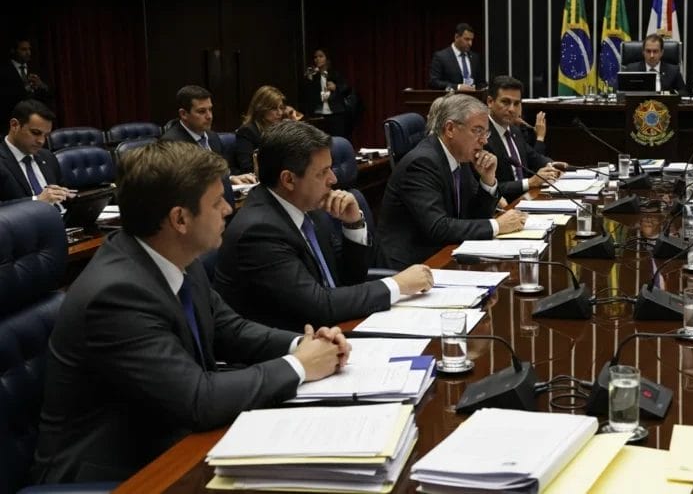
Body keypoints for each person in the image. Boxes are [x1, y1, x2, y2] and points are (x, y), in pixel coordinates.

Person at [31, 141, 351, 484]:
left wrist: (303, 344)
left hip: (172, 437)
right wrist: (300, 365)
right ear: (180, 219)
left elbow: (229, 328)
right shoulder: (115, 295)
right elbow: (197, 399)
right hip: (114, 472)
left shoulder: (176, 255)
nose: (228, 208)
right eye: (216, 202)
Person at [214, 122, 434, 331]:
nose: (334, 179)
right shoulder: (259, 231)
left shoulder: (309, 208)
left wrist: (353, 224)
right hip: (293, 343)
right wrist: (396, 285)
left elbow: (348, 280)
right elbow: (318, 306)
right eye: (323, 172)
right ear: (288, 180)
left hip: (333, 328)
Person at [375, 93, 527, 269]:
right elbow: (438, 227)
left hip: (446, 251)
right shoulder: (422, 163)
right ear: (450, 129)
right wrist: (497, 225)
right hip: (413, 264)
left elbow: (474, 215)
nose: (484, 140)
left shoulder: (459, 156)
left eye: (486, 132)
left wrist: (487, 180)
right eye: (477, 131)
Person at [484, 75, 566, 201]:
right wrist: (530, 182)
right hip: (504, 206)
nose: (512, 109)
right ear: (490, 102)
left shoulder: (514, 131)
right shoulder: (482, 136)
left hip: (526, 200)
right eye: (505, 102)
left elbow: (533, 156)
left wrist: (552, 165)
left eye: (516, 103)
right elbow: (487, 188)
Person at [161, 85, 256, 184]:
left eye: (210, 109)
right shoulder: (171, 144)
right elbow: (182, 183)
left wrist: (231, 178)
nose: (209, 116)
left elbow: (220, 172)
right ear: (183, 114)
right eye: (201, 111)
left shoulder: (212, 137)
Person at [0, 99, 70, 204]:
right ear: (14, 125)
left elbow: (63, 197)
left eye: (46, 135)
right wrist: (36, 201)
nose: (41, 141)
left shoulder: (48, 156)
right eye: (35, 133)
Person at [300, 48, 356, 138]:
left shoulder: (335, 74)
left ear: (327, 59)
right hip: (319, 114)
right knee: (321, 140)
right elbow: (307, 96)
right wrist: (309, 80)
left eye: (321, 56)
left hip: (336, 113)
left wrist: (336, 87)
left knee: (338, 139)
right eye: (315, 57)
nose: (317, 59)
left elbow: (347, 89)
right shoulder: (313, 76)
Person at [234, 85, 288, 174]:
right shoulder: (247, 132)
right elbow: (247, 168)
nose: (280, 113)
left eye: (281, 108)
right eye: (274, 108)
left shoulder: (281, 130)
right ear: (261, 108)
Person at [0, 38, 52, 120]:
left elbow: (49, 94)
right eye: (24, 49)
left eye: (29, 49)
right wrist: (24, 88)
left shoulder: (37, 68)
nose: (28, 53)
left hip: (36, 118)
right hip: (12, 118)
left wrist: (41, 85)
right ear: (13, 51)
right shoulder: (3, 70)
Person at [620, 34, 687, 94]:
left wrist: (670, 94)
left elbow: (683, 93)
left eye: (655, 51)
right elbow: (620, 92)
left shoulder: (673, 71)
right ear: (643, 52)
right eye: (648, 51)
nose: (651, 55)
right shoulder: (631, 70)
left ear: (661, 52)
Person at [429, 23, 486, 91]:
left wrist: (482, 88)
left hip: (472, 97)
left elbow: (481, 82)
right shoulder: (441, 57)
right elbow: (434, 82)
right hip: (452, 96)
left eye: (471, 40)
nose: (470, 43)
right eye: (467, 39)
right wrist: (457, 87)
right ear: (456, 37)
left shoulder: (475, 58)